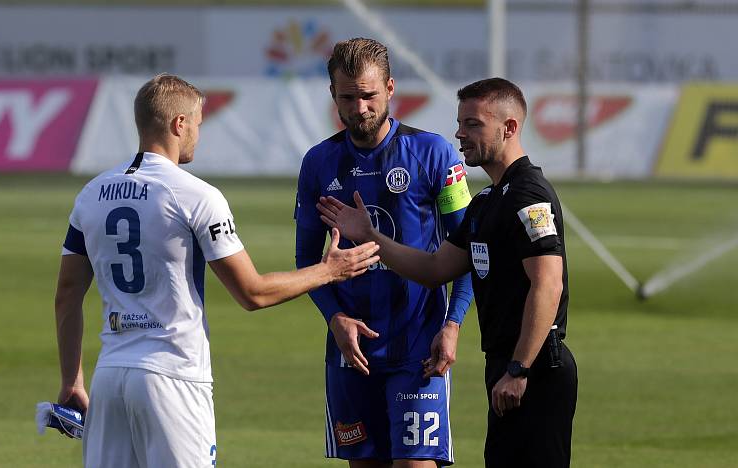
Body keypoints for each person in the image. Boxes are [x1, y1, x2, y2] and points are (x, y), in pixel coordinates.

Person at [53, 73, 380, 468]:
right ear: (179, 124)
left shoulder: (92, 193)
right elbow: (252, 292)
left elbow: (68, 293)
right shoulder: (195, 195)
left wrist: (72, 380)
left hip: (109, 377)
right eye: (197, 125)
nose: (197, 135)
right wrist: (330, 270)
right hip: (172, 375)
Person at [317, 77, 578, 468]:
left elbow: (548, 284)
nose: (459, 133)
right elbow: (435, 268)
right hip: (506, 367)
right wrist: (371, 237)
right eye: (460, 123)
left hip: (535, 368)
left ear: (509, 128)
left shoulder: (529, 195)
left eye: (473, 124)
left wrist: (520, 368)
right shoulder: (488, 202)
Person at [295, 38, 474, 467]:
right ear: (333, 95)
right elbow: (306, 263)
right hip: (350, 352)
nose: (359, 108)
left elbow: (467, 251)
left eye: (369, 95)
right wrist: (335, 318)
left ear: (391, 88)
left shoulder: (434, 154)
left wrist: (453, 324)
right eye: (348, 97)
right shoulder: (318, 163)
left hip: (419, 347)